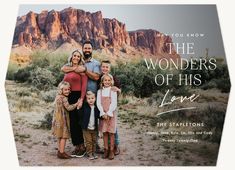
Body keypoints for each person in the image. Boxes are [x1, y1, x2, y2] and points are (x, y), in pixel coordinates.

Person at [62, 49, 88, 157]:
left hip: (77, 97)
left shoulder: (82, 70)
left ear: (80, 58)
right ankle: (77, 146)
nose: (76, 57)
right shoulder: (67, 69)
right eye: (74, 55)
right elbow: (64, 79)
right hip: (69, 97)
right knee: (71, 123)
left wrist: (81, 99)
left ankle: (82, 147)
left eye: (78, 56)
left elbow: (84, 86)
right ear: (71, 57)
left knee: (78, 123)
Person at [52, 81, 80, 159]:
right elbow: (68, 108)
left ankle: (59, 150)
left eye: (68, 89)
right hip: (62, 119)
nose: (67, 91)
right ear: (61, 90)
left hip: (57, 119)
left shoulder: (57, 96)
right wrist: (76, 104)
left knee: (59, 135)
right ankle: (61, 152)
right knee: (64, 136)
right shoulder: (64, 98)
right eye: (65, 90)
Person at [99, 60, 121, 155]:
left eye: (107, 67)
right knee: (104, 130)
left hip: (111, 110)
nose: (105, 68)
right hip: (102, 110)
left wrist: (118, 90)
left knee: (112, 130)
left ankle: (114, 147)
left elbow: (118, 91)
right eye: (103, 67)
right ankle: (106, 149)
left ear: (109, 68)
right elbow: (99, 97)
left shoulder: (114, 78)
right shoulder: (99, 78)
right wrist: (102, 112)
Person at [97, 74, 117, 160]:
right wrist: (103, 113)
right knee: (104, 132)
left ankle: (111, 150)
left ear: (111, 81)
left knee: (111, 133)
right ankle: (106, 149)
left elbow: (114, 103)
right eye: (105, 80)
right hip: (103, 115)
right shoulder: (99, 91)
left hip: (111, 114)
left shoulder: (112, 91)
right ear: (102, 82)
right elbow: (98, 103)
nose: (107, 82)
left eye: (109, 80)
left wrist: (108, 113)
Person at [80, 91, 100, 160]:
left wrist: (104, 115)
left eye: (92, 98)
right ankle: (89, 153)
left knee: (94, 141)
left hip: (94, 128)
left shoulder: (96, 107)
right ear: (86, 99)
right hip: (86, 128)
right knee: (89, 142)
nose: (91, 100)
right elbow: (80, 115)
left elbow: (99, 116)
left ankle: (94, 152)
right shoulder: (84, 107)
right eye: (89, 98)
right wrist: (78, 108)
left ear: (95, 98)